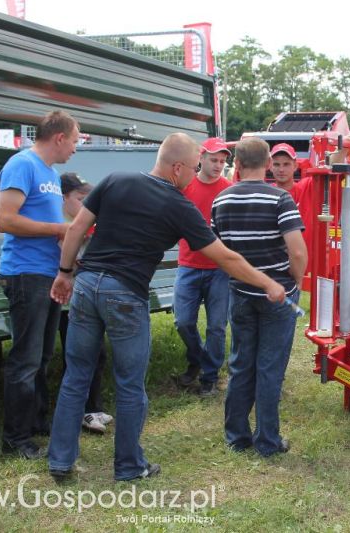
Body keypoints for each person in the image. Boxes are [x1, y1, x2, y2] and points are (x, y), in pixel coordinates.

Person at [47, 133, 285, 482]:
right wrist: (267, 282)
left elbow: (77, 228)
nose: (193, 174)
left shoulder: (115, 179)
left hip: (86, 285)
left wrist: (65, 273)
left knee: (75, 376)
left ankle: (60, 461)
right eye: (192, 167)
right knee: (129, 384)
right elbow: (224, 257)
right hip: (124, 294)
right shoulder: (177, 204)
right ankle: (129, 466)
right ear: (177, 168)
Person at [211, 137, 307, 457]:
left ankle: (237, 436)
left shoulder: (220, 200)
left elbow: (219, 251)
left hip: (239, 291)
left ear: (236, 165)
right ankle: (267, 441)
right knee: (269, 367)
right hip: (277, 294)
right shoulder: (280, 199)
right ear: (268, 164)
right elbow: (296, 250)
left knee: (241, 364)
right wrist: (297, 280)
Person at [0, 110, 79, 460]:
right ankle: (14, 440)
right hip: (26, 273)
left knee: (42, 357)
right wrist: (59, 230)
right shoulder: (22, 164)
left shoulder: (49, 172)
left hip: (47, 274)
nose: (76, 148)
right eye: (75, 140)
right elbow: (6, 219)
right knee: (26, 359)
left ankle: (35, 422)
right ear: (59, 137)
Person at [173, 138, 232, 396]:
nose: (218, 165)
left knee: (216, 326)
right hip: (189, 264)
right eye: (214, 160)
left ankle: (209, 377)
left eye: (222, 161)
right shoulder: (186, 186)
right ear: (201, 159)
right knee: (183, 321)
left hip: (219, 268)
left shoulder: (229, 189)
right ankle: (198, 359)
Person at [58, 173, 112, 433]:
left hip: (87, 301)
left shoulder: (88, 225)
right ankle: (82, 413)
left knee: (98, 354)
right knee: (78, 359)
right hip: (68, 304)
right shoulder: (60, 226)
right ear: (64, 197)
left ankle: (94, 407)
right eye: (80, 199)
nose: (85, 205)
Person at [271, 143, 313, 274]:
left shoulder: (306, 188)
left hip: (302, 267)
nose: (281, 169)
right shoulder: (265, 193)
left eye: (286, 164)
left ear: (295, 166)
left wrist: (344, 151)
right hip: (274, 267)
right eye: (277, 164)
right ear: (270, 166)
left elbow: (329, 168)